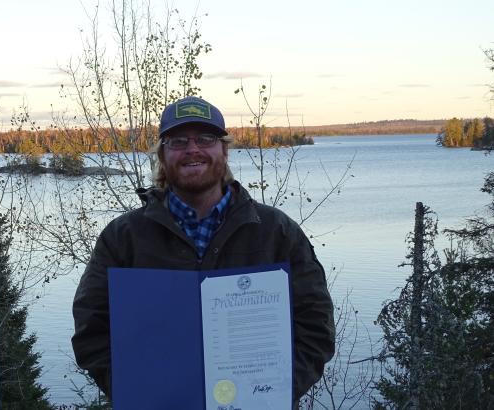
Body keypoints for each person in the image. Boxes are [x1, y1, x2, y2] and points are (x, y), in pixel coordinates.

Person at [71, 96, 335, 406]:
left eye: (206, 139)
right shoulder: (122, 238)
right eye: (178, 141)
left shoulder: (276, 232)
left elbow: (316, 327)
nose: (192, 149)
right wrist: (133, 387)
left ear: (224, 150)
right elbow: (91, 328)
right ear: (163, 154)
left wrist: (275, 391)